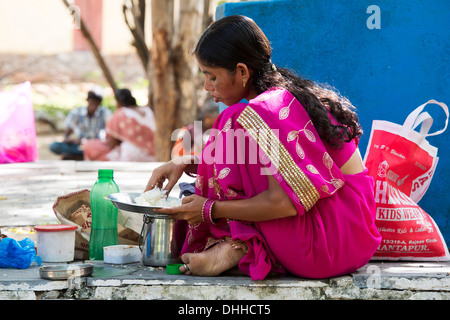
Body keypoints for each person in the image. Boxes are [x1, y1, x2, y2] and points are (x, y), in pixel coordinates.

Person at [145, 15, 381, 280]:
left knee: (230, 122)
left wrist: (208, 209)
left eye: (211, 76)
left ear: (243, 72)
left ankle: (243, 246)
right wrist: (185, 163)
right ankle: (245, 245)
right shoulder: (288, 93)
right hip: (355, 232)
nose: (206, 87)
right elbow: (268, 168)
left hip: (323, 246)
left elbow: (283, 203)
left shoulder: (264, 110)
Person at [83, 88, 156, 162]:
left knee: (89, 146)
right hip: (155, 153)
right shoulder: (148, 110)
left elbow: (112, 144)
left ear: (118, 102)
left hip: (130, 154)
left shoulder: (121, 113)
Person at [49, 89, 111, 160]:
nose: (93, 105)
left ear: (99, 103)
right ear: (87, 101)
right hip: (80, 146)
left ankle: (77, 157)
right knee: (54, 146)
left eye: (96, 103)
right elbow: (67, 132)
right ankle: (83, 156)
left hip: (96, 145)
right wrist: (69, 140)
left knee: (108, 149)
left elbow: (110, 133)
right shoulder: (77, 112)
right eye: (92, 102)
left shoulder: (104, 113)